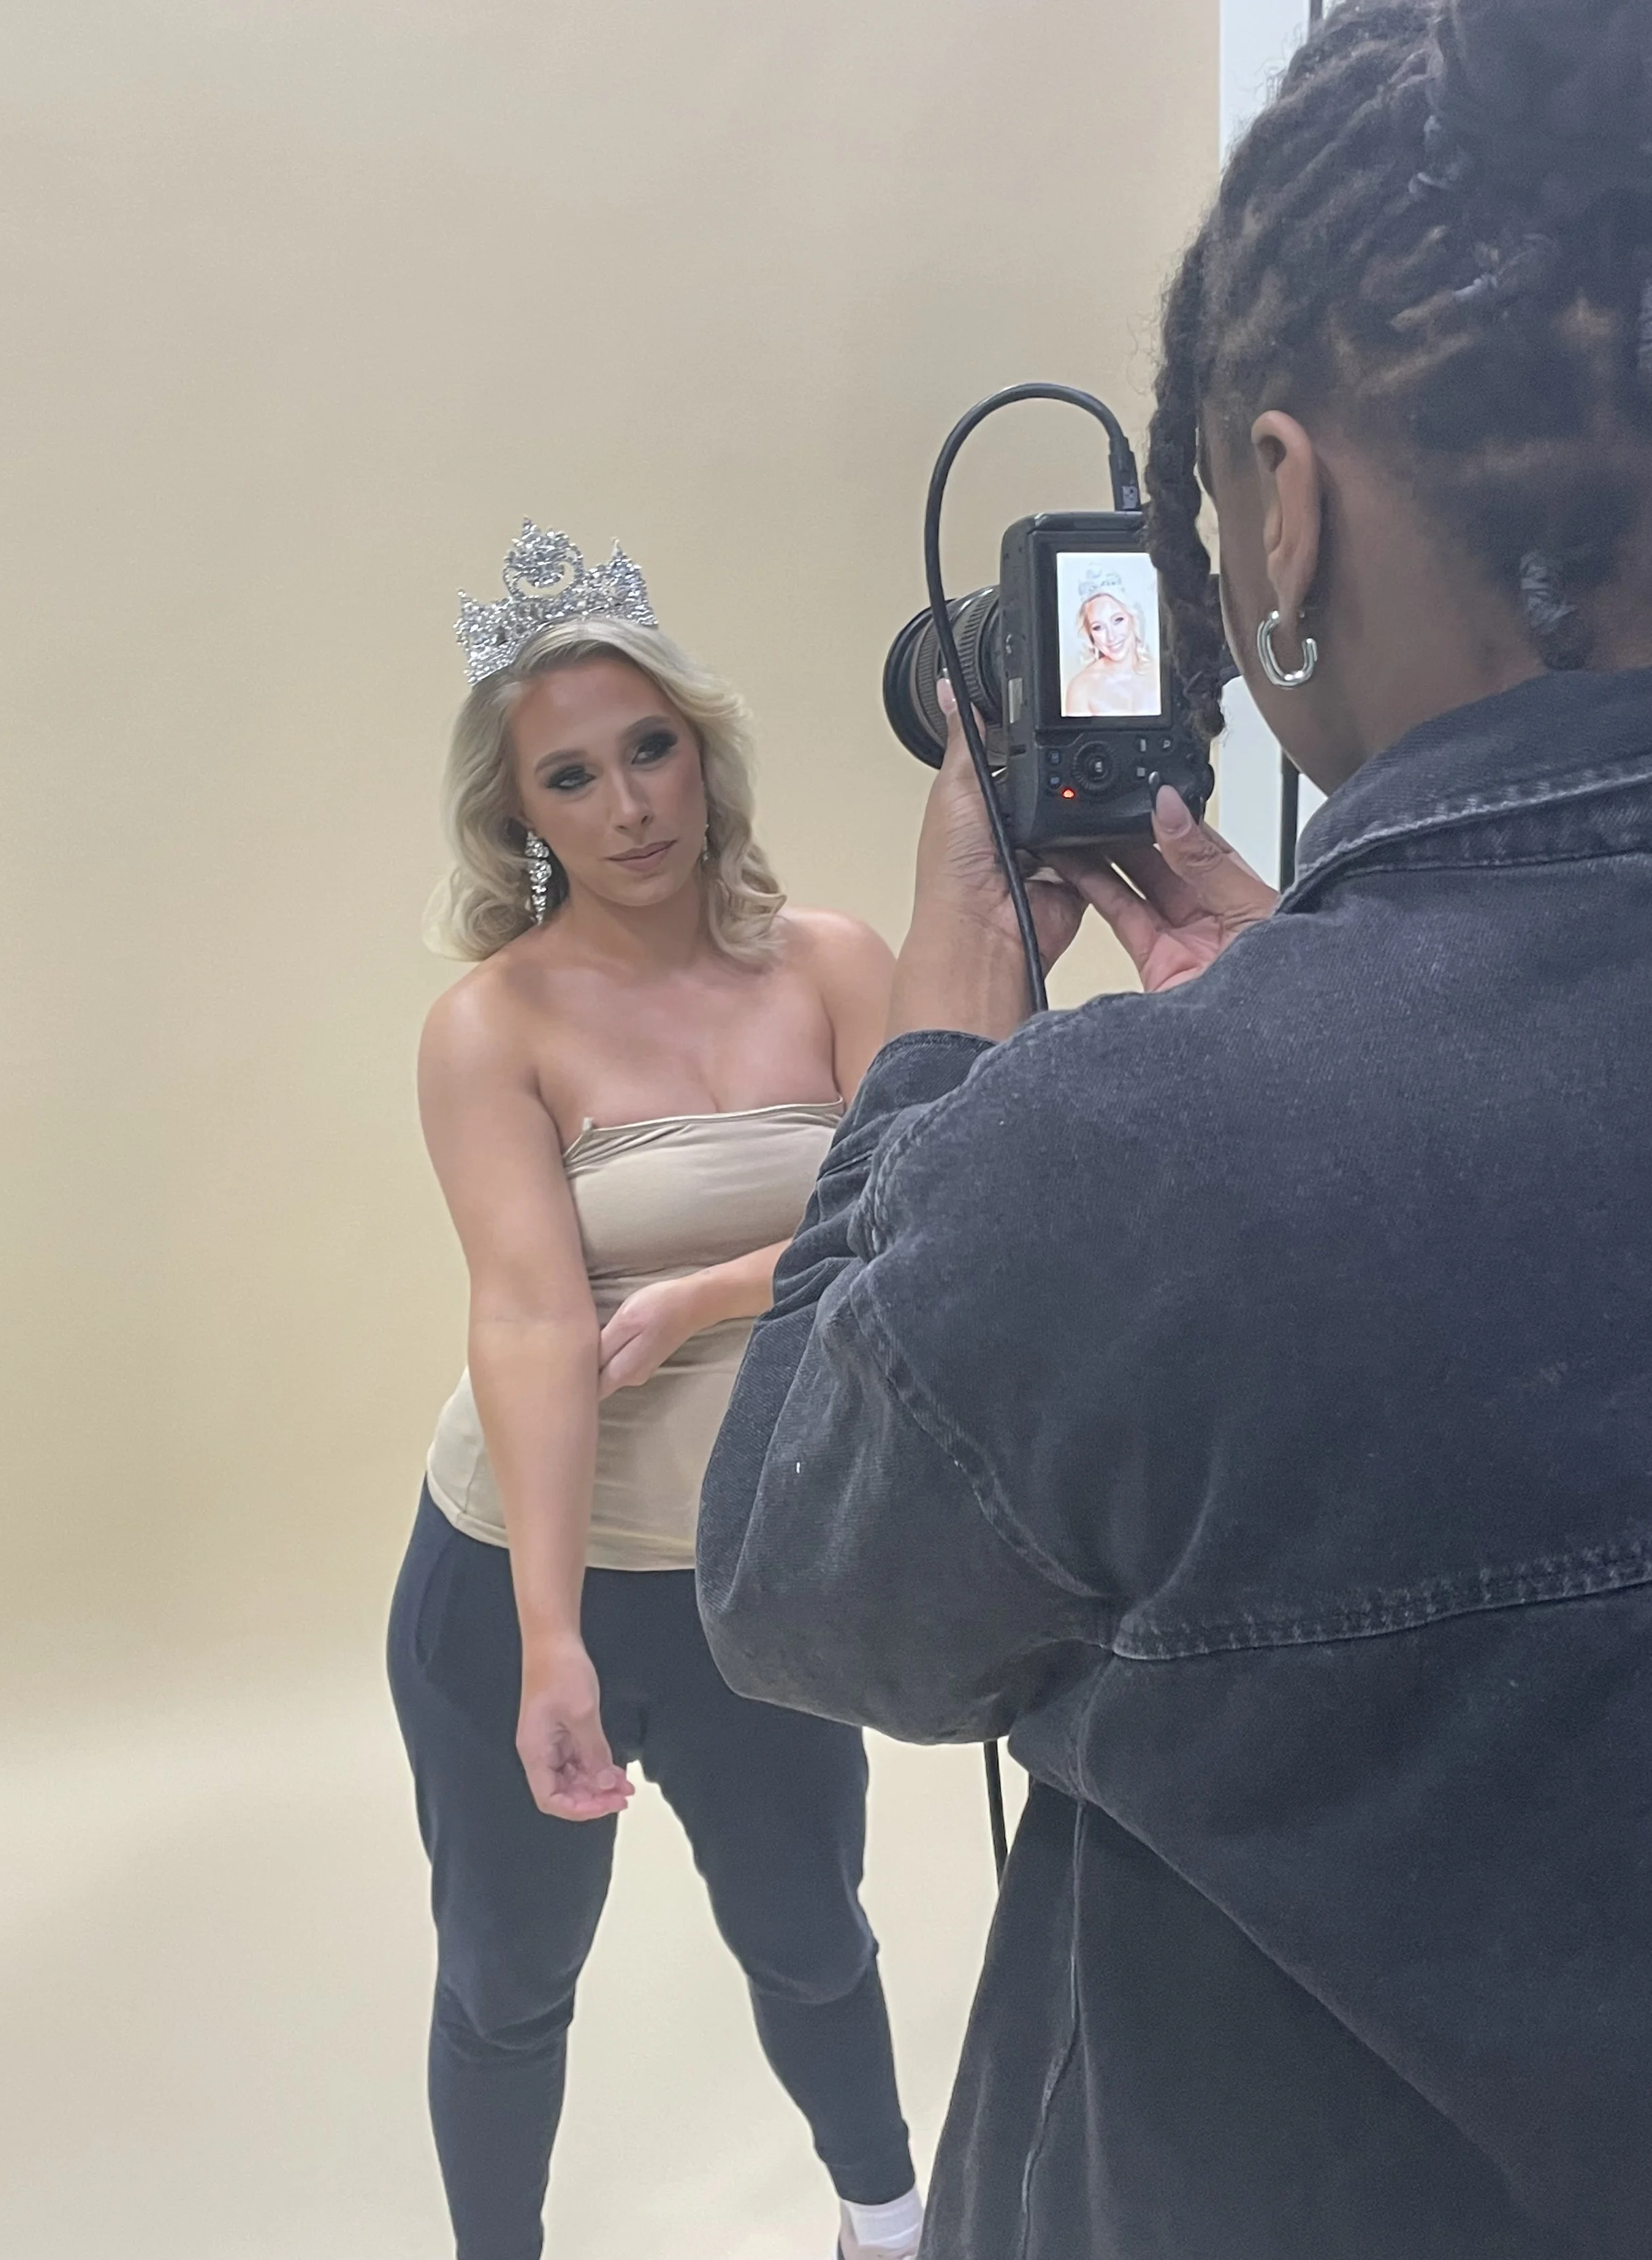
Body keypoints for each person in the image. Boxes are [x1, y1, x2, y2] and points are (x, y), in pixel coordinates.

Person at [697, 3, 1652, 2255]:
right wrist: (1293, 1024)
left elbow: (797, 1586)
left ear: (1284, 513)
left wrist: (945, 1044)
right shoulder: (1187, 1150)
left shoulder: (1126, 1172)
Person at [386, 525, 923, 2260]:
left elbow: (922, 1211)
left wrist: (705, 1292)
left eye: (650, 748)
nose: (627, 805)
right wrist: (551, 1641)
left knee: (812, 1936)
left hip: (757, 1567)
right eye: (570, 776)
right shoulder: (493, 1025)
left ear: (704, 750)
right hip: (520, 1578)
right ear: (516, 816)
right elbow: (532, 1323)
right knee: (507, 1980)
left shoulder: (831, 962)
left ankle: (889, 2222)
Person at [1062, 578, 1161, 715]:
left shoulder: (1161, 673)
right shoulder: (1081, 688)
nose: (1111, 637)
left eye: (1118, 620)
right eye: (1098, 627)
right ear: (1090, 635)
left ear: (1133, 620)